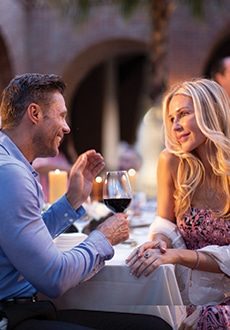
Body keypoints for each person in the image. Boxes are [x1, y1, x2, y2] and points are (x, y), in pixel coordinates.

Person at [0, 73, 171, 330]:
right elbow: (54, 278)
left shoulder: (11, 164)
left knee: (153, 326)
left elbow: (21, 241)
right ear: (34, 114)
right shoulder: (11, 174)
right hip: (11, 316)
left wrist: (71, 201)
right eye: (61, 115)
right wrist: (103, 238)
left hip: (23, 308)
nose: (67, 127)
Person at [126, 78, 230, 329]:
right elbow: (164, 222)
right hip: (190, 292)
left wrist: (178, 255)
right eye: (171, 118)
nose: (175, 126)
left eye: (183, 114)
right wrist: (159, 245)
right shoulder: (171, 161)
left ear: (210, 112)